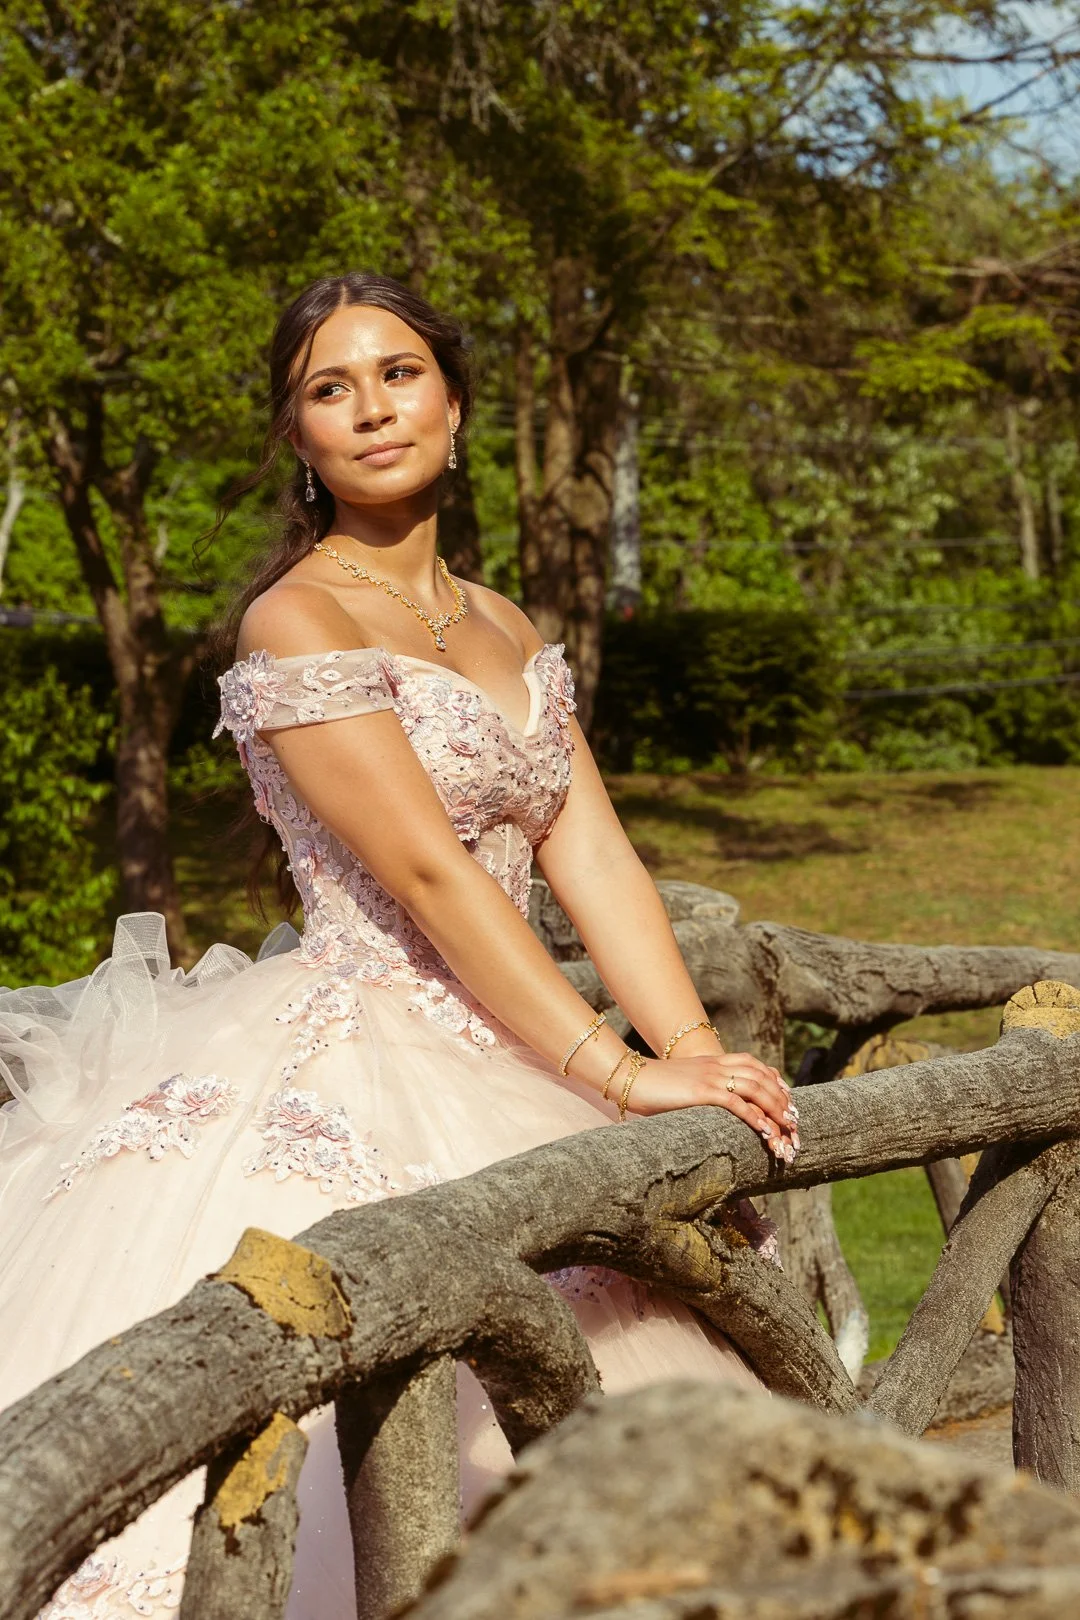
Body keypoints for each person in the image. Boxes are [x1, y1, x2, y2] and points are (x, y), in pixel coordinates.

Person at [0, 272, 798, 1620]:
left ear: (457, 401)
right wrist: (614, 1075)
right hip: (367, 1047)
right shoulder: (295, 621)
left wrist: (701, 1063)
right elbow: (429, 873)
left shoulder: (501, 622)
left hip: (523, 1044)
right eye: (330, 389)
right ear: (299, 437)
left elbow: (591, 852)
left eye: (399, 374)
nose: (371, 409)